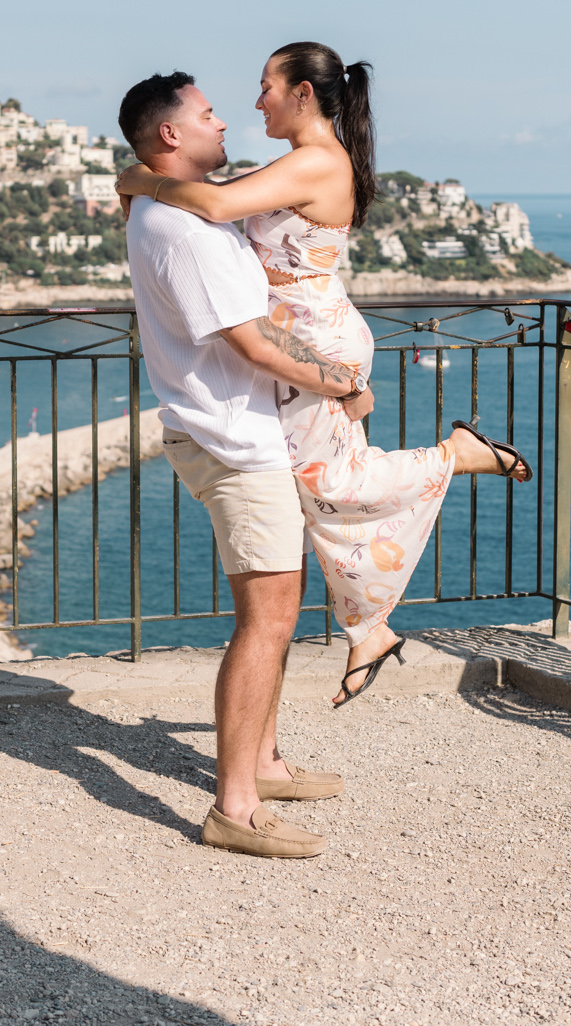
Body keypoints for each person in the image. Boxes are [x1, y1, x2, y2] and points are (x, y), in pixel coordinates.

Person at [116, 43, 532, 707]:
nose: (255, 104)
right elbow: (216, 201)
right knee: (312, 497)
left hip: (311, 342)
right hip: (308, 339)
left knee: (326, 484)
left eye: (265, 88)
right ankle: (369, 629)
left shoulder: (314, 161)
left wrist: (139, 181)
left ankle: (457, 455)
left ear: (303, 93)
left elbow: (217, 208)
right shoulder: (298, 161)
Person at [119, 70, 375, 859]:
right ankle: (234, 806)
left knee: (278, 612)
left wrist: (135, 180)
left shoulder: (169, 205)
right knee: (265, 620)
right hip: (236, 442)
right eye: (205, 113)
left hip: (234, 431)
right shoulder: (184, 229)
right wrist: (346, 386)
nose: (223, 119)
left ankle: (261, 764)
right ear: (171, 134)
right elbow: (255, 340)